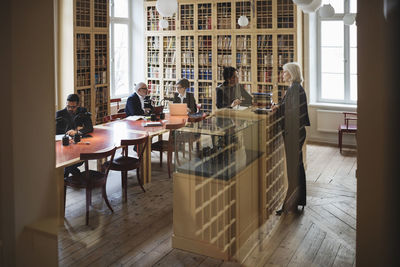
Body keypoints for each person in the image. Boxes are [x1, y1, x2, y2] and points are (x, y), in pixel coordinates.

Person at [273, 62, 310, 215]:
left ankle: (289, 204)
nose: (282, 75)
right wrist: (279, 106)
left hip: (294, 134)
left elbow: (292, 113)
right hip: (296, 132)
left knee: (293, 170)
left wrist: (278, 108)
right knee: (297, 167)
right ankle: (296, 200)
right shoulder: (294, 88)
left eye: (285, 72)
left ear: (292, 73)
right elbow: (288, 107)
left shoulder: (294, 89)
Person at [56, 93, 93, 177]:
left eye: (73, 107)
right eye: (68, 106)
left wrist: (77, 132)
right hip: (64, 146)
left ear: (78, 105)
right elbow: (56, 131)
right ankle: (75, 176)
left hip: (79, 145)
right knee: (68, 164)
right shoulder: (60, 114)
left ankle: (70, 177)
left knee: (79, 159)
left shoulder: (83, 111)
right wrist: (69, 132)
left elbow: (89, 127)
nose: (70, 109)